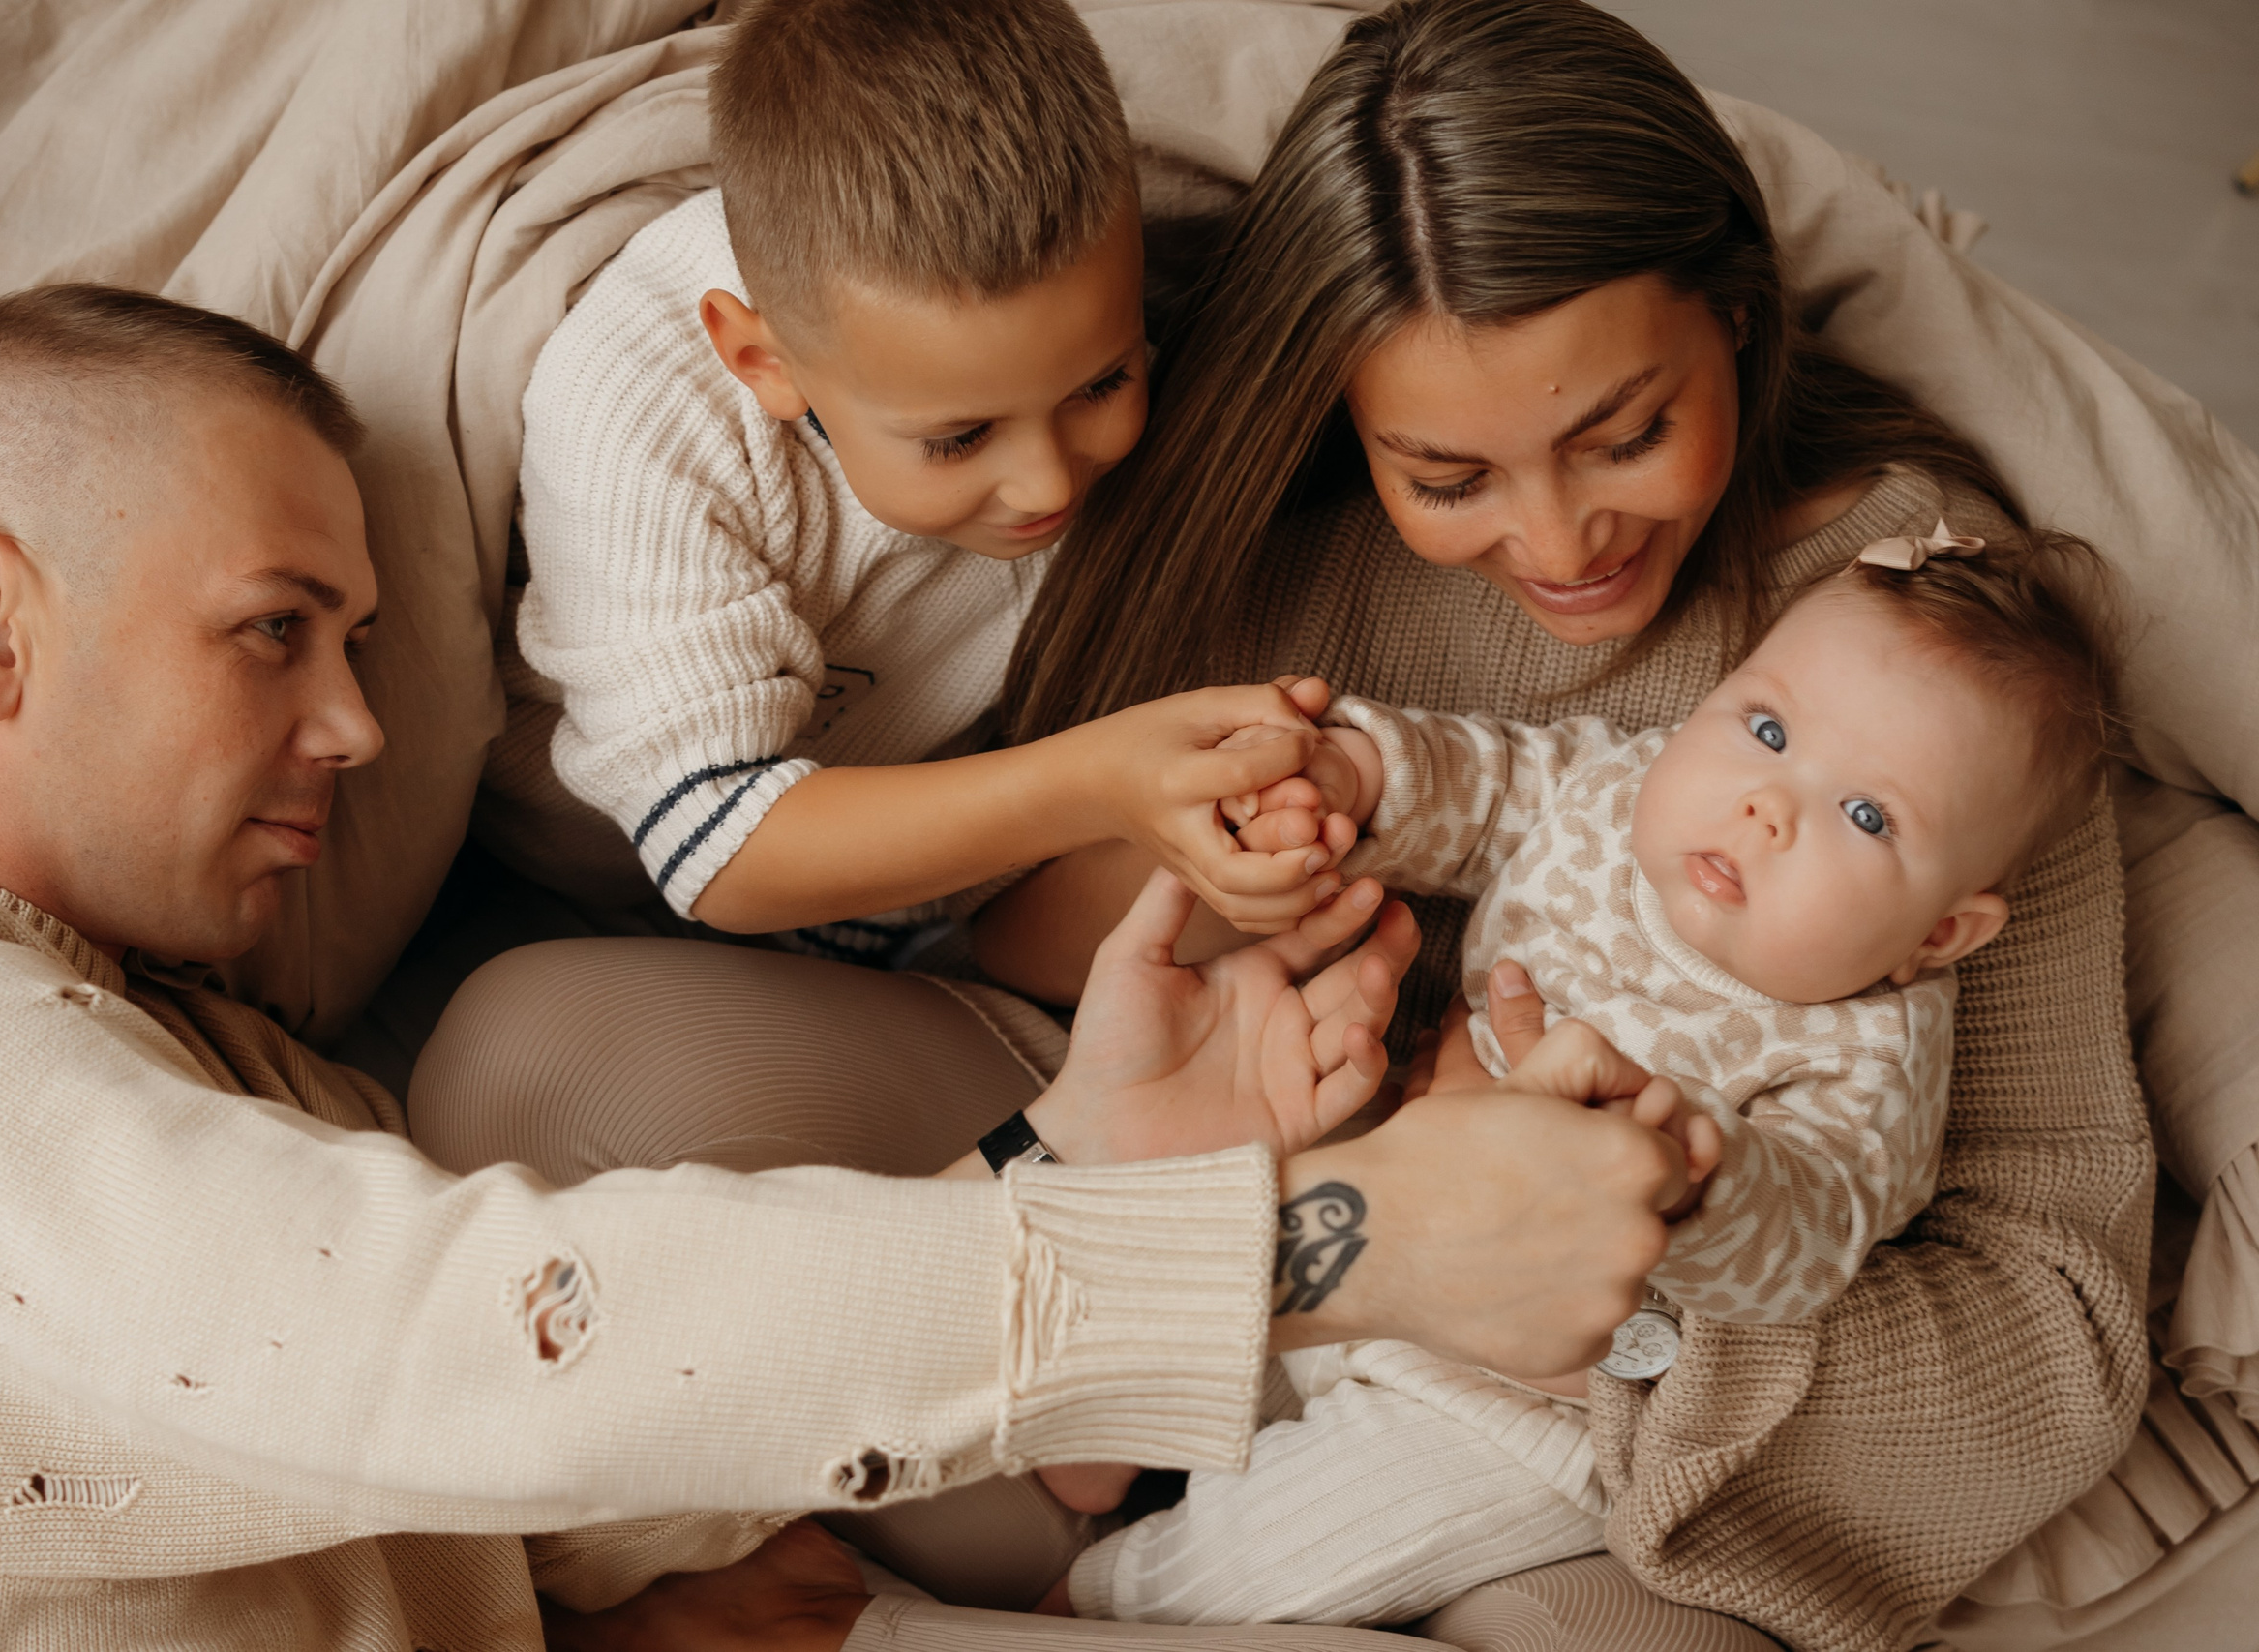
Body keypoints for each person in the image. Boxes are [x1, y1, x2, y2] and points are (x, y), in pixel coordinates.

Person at [455, 2, 2150, 1646]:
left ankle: (896, 1614)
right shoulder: (1205, 467)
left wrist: (1602, 1254)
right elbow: (1022, 929)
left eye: (1625, 432)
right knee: (529, 1062)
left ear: (1737, 317)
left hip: (1548, 1389)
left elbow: (2044, 1299)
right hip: (1182, 1180)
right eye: (1448, 475)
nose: (1559, 540)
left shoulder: (1933, 663)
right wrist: (1239, 940)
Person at [0, 281, 1692, 1652]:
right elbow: (466, 1341)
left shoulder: (198, 1071)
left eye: (356, 642)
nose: (358, 725)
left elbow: (522, 1440)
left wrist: (1073, 1157)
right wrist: (1313, 1239)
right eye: (274, 631)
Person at [1051, 525, 2123, 1626]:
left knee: (1260, 1556)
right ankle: (1102, 1435)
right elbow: (1480, 780)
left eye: (1864, 815)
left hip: (1517, 1398)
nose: (1767, 806)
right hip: (1377, 1179)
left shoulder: (1864, 1048)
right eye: (1764, 728)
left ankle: (1080, 1609)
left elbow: (1814, 1228)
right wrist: (1357, 775)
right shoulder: (1618, 790)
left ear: (1939, 933)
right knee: (1214, 1279)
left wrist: (1694, 1177)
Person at [511, 0, 1351, 972]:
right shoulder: (638, 406)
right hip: (601, 866)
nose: (1044, 483)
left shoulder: (1098, 259)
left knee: (1298, 847)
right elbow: (718, 845)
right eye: (958, 438)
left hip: (933, 849)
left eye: (1103, 382)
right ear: (761, 361)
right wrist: (1098, 779)